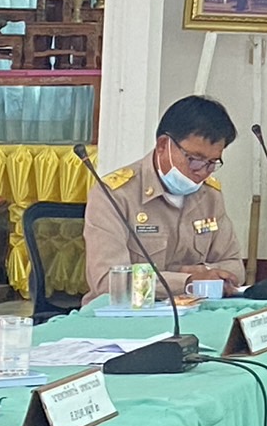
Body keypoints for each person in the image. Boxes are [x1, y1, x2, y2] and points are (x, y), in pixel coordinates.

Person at [83, 96, 245, 302]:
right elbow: (108, 282)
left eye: (212, 162)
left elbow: (234, 267)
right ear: (163, 145)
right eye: (194, 160)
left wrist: (198, 272)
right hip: (127, 314)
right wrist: (186, 280)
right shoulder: (114, 195)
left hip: (194, 310)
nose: (202, 171)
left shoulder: (210, 196)